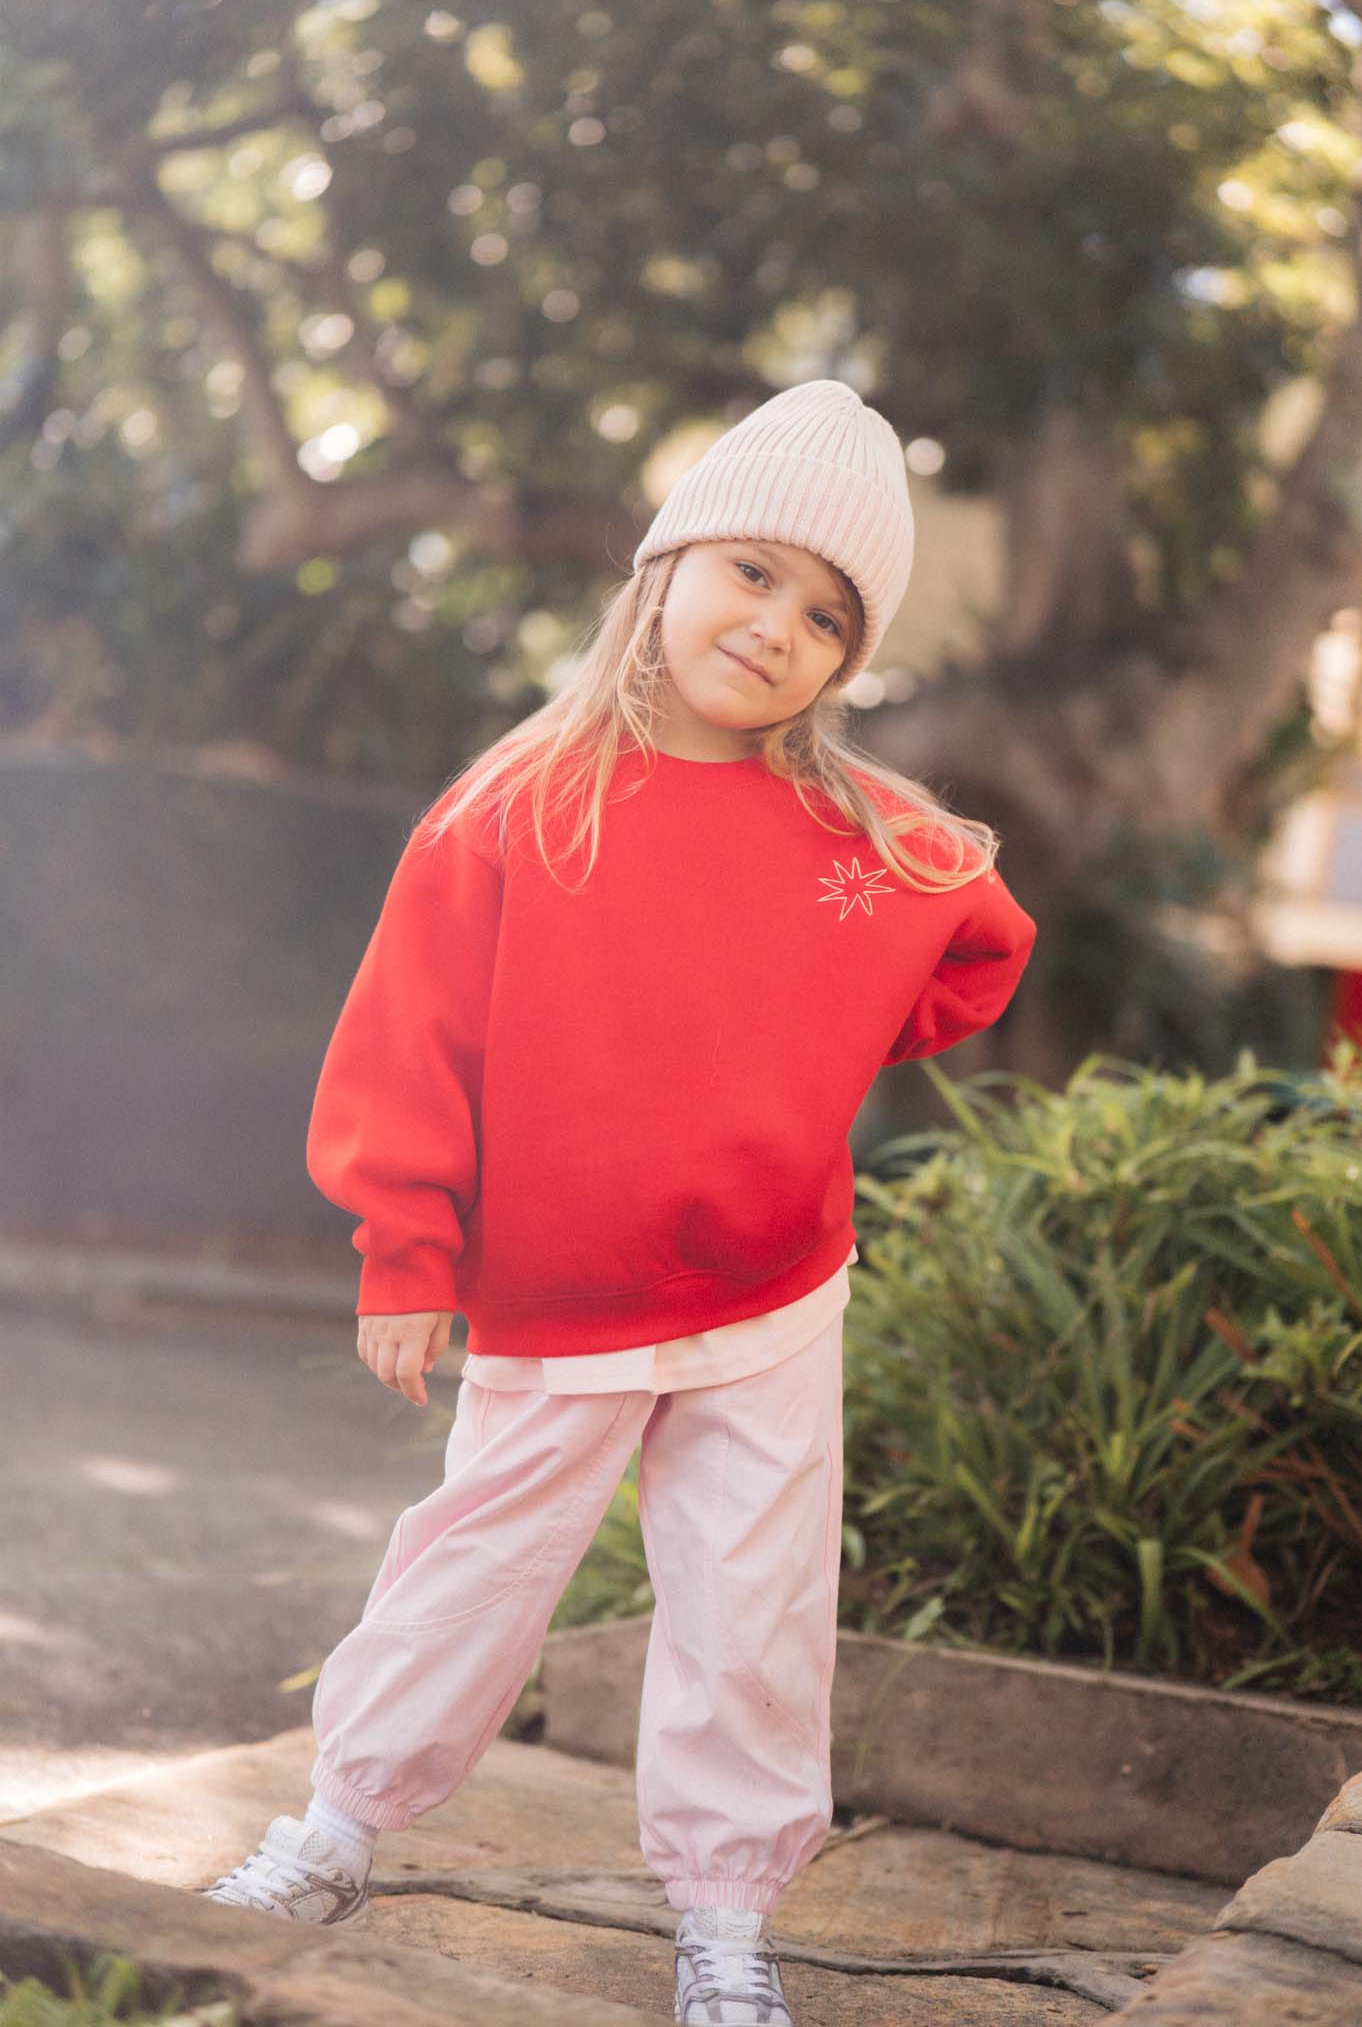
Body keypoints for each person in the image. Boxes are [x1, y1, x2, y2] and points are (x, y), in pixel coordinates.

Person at [197, 380, 1038, 2025]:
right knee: (474, 1572)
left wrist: (821, 1030)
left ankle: (726, 1927)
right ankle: (337, 1829)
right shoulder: (516, 804)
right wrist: (403, 1254)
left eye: (827, 617)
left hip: (773, 1293)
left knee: (754, 1616)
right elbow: (404, 1047)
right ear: (661, 569)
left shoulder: (844, 829)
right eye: (752, 573)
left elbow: (977, 938)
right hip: (558, 1293)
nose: (778, 627)